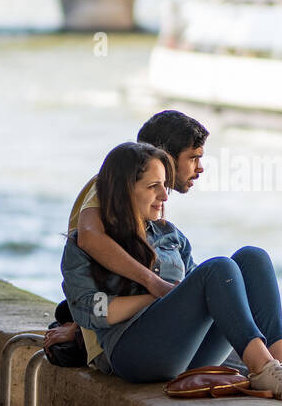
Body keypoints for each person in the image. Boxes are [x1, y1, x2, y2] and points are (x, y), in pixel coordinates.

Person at [61, 142, 282, 402]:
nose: (164, 196)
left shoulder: (170, 235)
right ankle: (262, 369)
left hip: (187, 352)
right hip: (134, 353)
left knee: (252, 258)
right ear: (124, 192)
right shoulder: (85, 245)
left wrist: (184, 295)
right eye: (152, 187)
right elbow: (90, 311)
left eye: (164, 185)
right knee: (219, 267)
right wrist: (156, 294)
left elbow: (202, 294)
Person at [66, 109, 210, 368]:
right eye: (193, 158)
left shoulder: (159, 220)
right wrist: (154, 285)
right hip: (122, 342)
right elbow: (88, 240)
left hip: (154, 330)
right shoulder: (110, 186)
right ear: (166, 157)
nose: (200, 168)